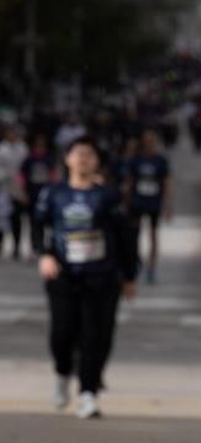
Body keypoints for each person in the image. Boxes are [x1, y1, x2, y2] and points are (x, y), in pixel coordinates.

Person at [32, 137, 139, 419]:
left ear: (97, 162)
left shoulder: (108, 196)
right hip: (64, 275)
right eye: (78, 154)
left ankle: (88, 393)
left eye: (89, 155)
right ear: (67, 159)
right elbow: (37, 226)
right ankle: (62, 373)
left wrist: (129, 276)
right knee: (62, 333)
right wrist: (44, 255)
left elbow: (126, 237)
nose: (83, 159)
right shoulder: (53, 194)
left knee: (96, 336)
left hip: (101, 278)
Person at [125, 129, 172, 283]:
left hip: (154, 203)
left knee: (153, 235)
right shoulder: (136, 160)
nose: (149, 144)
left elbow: (166, 183)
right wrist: (126, 201)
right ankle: (136, 263)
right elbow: (129, 182)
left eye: (152, 141)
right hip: (137, 202)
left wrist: (167, 204)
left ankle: (151, 267)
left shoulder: (161, 161)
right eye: (147, 141)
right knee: (134, 235)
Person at [17, 134, 58, 260]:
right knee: (34, 223)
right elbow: (21, 177)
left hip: (46, 196)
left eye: (42, 146)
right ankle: (36, 247)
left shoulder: (48, 159)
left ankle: (49, 247)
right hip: (32, 195)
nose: (40, 148)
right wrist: (22, 193)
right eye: (38, 146)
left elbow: (54, 176)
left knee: (48, 224)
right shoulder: (29, 160)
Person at [0, 125, 28, 259]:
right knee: (1, 218)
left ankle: (16, 248)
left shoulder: (23, 148)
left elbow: (26, 167)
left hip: (18, 187)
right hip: (3, 187)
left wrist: (21, 184)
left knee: (17, 219)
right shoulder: (2, 149)